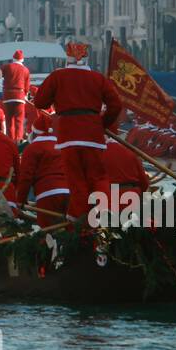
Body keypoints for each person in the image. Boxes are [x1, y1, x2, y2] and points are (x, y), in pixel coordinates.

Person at [33, 41, 124, 220]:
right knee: (98, 176)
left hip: (68, 136)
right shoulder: (98, 78)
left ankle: (80, 218)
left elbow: (39, 102)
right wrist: (102, 124)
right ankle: (105, 207)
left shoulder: (58, 77)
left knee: (76, 179)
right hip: (93, 134)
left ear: (67, 59)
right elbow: (116, 105)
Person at [15, 114, 68, 221]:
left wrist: (20, 201)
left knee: (48, 233)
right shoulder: (63, 145)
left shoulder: (32, 148)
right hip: (70, 192)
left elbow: (25, 177)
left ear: (34, 133)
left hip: (47, 194)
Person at [0, 49, 32, 143]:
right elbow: (27, 86)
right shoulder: (26, 70)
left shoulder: (7, 67)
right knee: (19, 120)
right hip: (20, 96)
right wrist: (25, 94)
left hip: (8, 96)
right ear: (22, 60)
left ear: (13, 58)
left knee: (9, 120)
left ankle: (11, 139)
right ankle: (19, 139)